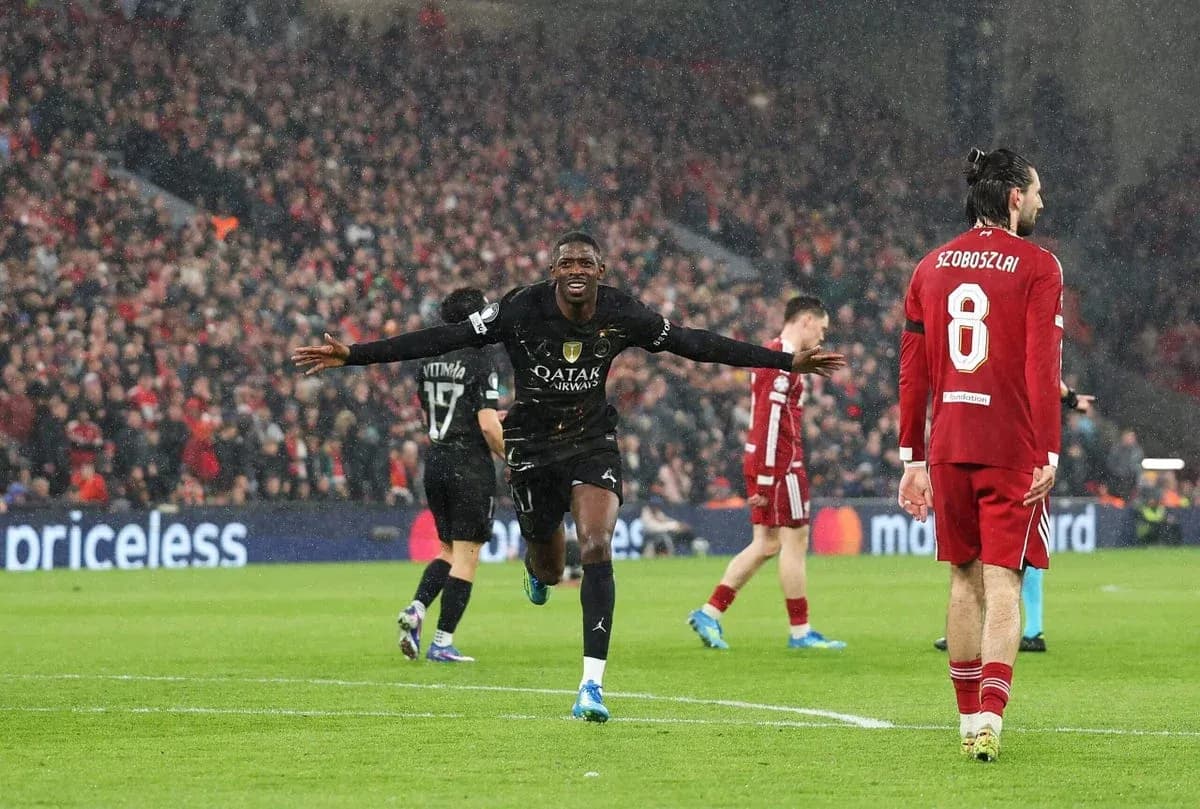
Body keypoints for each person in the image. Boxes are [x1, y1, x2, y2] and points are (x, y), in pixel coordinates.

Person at [294, 231, 845, 722]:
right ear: (553, 271)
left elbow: (695, 343)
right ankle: (537, 570)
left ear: (600, 271)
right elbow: (444, 338)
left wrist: (783, 361)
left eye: (586, 263)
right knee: (550, 569)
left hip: (591, 443)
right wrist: (354, 355)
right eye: (566, 263)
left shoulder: (623, 311)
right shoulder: (520, 308)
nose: (576, 270)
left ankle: (591, 685)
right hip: (532, 448)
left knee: (597, 544)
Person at [898, 148, 1063, 762]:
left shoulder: (930, 266)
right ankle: (991, 718)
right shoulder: (1038, 266)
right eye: (1036, 192)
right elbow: (1042, 365)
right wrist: (1049, 449)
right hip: (1010, 446)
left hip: (949, 445)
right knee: (1004, 583)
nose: (1042, 202)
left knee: (963, 581)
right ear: (1015, 197)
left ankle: (967, 719)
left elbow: (912, 371)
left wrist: (911, 457)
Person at [687, 296, 846, 651]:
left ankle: (710, 613)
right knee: (794, 541)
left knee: (767, 543)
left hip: (764, 458)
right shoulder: (782, 361)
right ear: (806, 321)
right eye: (821, 329)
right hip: (781, 463)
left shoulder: (772, 355)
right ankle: (800, 632)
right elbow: (770, 419)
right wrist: (766, 477)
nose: (821, 337)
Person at [933, 381, 1094, 654]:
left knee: (1002, 547)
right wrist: (1070, 398)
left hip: (991, 448)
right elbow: (1042, 374)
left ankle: (1020, 628)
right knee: (1011, 545)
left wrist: (1069, 397)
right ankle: (977, 626)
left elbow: (1040, 375)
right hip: (1005, 448)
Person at [396, 288, 506, 664]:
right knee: (467, 556)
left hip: (437, 460)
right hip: (468, 464)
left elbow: (435, 411)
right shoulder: (480, 360)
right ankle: (442, 642)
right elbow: (488, 426)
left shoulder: (429, 358)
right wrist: (513, 457)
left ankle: (416, 609)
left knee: (447, 550)